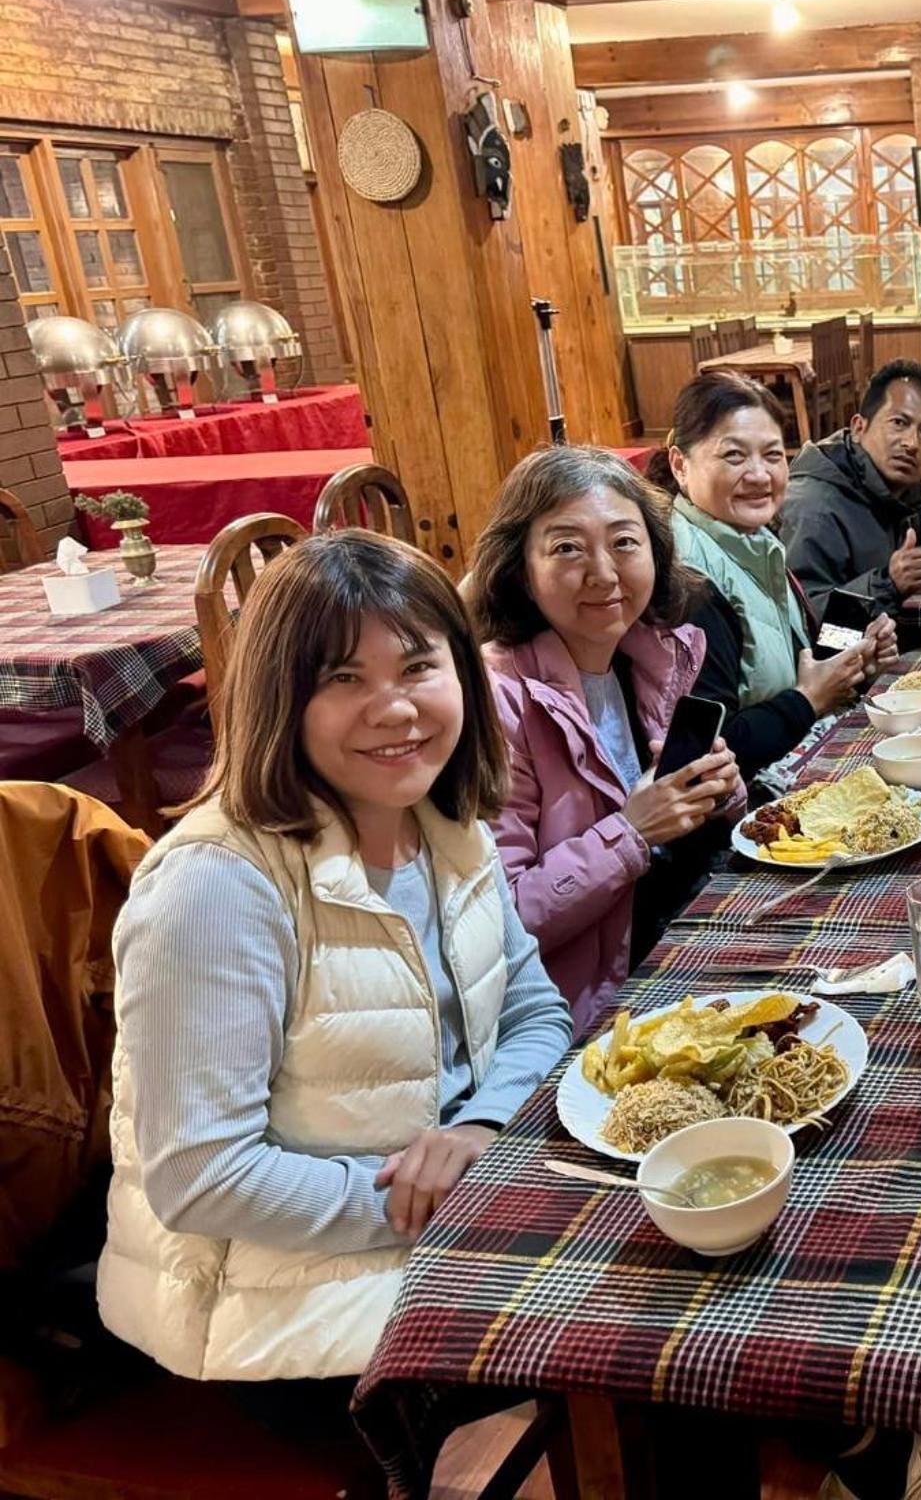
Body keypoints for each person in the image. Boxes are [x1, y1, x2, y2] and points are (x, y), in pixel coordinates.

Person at [99, 531, 572, 1380]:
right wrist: (436, 1197)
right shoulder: (215, 888)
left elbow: (536, 1010)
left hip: (433, 1233)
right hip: (274, 1311)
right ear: (278, 698)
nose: (394, 709)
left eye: (418, 667)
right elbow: (201, 1177)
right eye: (343, 678)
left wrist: (481, 1129)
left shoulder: (445, 824)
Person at [471, 445, 744, 1035]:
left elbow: (669, 815)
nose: (603, 572)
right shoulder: (496, 703)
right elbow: (502, 923)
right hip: (577, 1013)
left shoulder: (648, 655)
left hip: (675, 935)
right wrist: (632, 833)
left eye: (624, 542)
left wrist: (716, 790)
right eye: (567, 548)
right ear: (520, 571)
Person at [652, 373, 896, 782]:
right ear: (680, 465)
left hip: (795, 751)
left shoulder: (754, 538)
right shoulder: (689, 576)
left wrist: (853, 658)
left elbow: (787, 663)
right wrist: (810, 698)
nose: (760, 475)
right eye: (734, 456)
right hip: (751, 798)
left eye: (772, 455)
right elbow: (704, 754)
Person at [782, 358, 921, 617]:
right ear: (859, 427)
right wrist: (887, 584)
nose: (912, 443)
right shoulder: (814, 507)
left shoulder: (901, 489)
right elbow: (806, 618)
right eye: (899, 423)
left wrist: (917, 565)